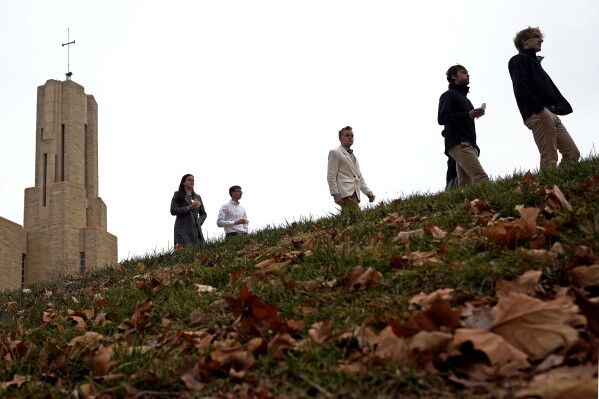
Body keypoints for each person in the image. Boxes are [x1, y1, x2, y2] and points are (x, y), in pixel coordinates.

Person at [508, 27, 580, 169]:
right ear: (524, 41)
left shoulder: (535, 62)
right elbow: (520, 86)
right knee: (549, 157)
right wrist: (539, 109)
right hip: (539, 113)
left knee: (572, 153)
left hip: (550, 112)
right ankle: (546, 189)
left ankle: (560, 185)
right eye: (536, 36)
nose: (541, 40)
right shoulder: (519, 59)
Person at [438, 65, 489, 186]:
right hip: (459, 143)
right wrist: (468, 115)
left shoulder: (467, 101)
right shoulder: (448, 95)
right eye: (463, 72)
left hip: (468, 145)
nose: (468, 74)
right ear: (454, 77)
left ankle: (464, 205)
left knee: (465, 186)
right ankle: (491, 205)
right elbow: (442, 118)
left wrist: (475, 147)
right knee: (481, 178)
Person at [327, 126, 375, 209]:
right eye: (347, 135)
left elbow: (359, 178)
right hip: (345, 193)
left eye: (352, 136)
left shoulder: (354, 157)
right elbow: (331, 175)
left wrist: (368, 192)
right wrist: (335, 194)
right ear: (340, 138)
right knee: (356, 219)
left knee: (351, 219)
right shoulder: (335, 153)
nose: (350, 137)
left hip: (355, 194)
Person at [170, 174, 207, 247]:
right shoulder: (177, 195)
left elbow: (203, 213)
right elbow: (173, 210)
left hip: (195, 228)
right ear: (183, 183)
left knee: (198, 251)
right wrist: (188, 208)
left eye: (193, 180)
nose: (192, 182)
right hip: (182, 228)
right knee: (183, 251)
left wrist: (198, 222)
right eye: (189, 180)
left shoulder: (197, 197)